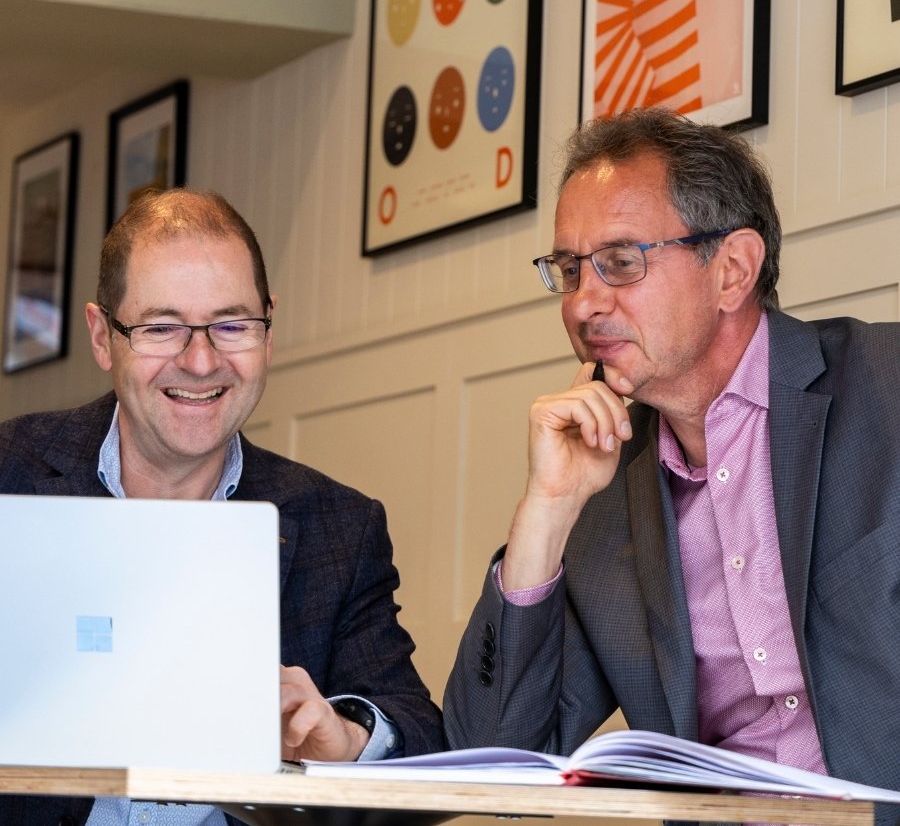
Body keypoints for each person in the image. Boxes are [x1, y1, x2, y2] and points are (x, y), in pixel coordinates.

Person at [443, 108, 899, 824]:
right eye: (568, 269)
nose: (584, 303)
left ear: (733, 271)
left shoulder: (888, 387)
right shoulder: (599, 482)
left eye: (621, 262)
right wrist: (547, 511)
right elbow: (491, 755)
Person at [0, 188, 444, 825]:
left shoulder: (339, 526)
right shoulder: (8, 474)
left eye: (232, 324)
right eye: (161, 327)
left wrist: (343, 740)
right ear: (104, 338)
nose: (202, 360)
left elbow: (418, 731)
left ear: (269, 327)